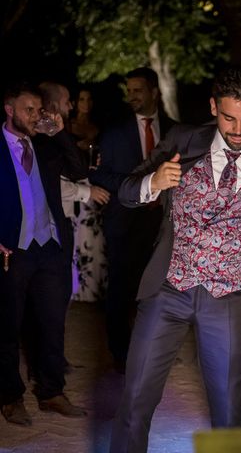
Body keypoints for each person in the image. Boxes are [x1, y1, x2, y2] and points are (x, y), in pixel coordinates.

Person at [109, 65, 241, 453]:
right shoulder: (182, 140)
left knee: (229, 411)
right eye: (229, 117)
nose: (238, 129)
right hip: (168, 290)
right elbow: (126, 190)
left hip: (228, 298)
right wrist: (154, 182)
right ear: (214, 107)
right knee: (136, 399)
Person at [1, 82, 87, 426]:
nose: (35, 116)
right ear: (9, 109)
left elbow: (79, 171)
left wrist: (62, 133)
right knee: (7, 327)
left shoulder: (46, 145)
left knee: (53, 323)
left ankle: (52, 392)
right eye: (29, 110)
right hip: (13, 250)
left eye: (39, 110)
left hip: (50, 247)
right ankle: (10, 397)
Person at [91, 67, 176, 372]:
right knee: (122, 290)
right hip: (125, 222)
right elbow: (99, 174)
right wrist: (138, 188)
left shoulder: (176, 131)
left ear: (155, 91)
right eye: (129, 91)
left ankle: (155, 349)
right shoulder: (114, 133)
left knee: (159, 289)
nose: (132, 97)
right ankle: (121, 354)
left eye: (138, 90)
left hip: (163, 224)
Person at [63, 86, 109, 301]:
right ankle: (76, 289)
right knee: (76, 233)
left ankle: (94, 288)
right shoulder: (68, 126)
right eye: (82, 99)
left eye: (89, 99)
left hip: (93, 181)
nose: (85, 103)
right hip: (74, 184)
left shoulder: (97, 127)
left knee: (94, 235)